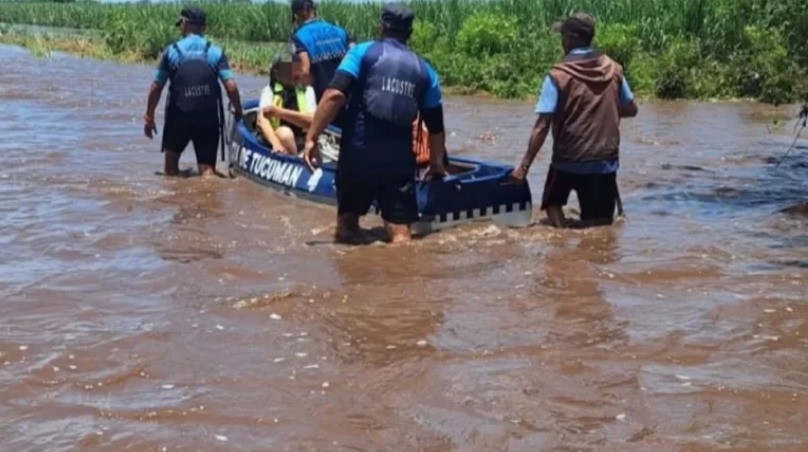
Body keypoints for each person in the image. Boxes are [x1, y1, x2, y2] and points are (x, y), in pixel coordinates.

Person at [303, 4, 448, 244]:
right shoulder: (426, 71)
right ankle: (402, 278)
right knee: (401, 234)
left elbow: (334, 96)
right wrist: (435, 164)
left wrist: (311, 138)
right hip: (398, 158)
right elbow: (435, 127)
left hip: (359, 151)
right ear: (409, 33)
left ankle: (355, 277)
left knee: (347, 227)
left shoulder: (362, 53)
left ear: (381, 28)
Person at [509, 12, 638, 227]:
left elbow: (542, 126)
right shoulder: (614, 70)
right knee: (600, 224)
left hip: (568, 161)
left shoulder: (558, 76)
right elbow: (631, 109)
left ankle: (561, 241)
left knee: (551, 204)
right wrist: (604, 111)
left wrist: (524, 167)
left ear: (569, 39)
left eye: (563, 36)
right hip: (604, 163)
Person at [144, 7, 243, 177]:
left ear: (184, 24)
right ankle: (208, 199)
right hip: (207, 119)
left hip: (178, 117)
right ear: (203, 27)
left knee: (170, 172)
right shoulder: (215, 52)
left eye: (180, 24)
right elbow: (231, 87)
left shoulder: (172, 51)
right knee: (207, 173)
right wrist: (239, 112)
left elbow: (156, 87)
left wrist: (149, 116)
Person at [290, 0, 353, 103]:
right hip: (346, 97)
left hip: (322, 101)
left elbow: (304, 71)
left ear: (300, 14)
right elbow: (355, 56)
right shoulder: (340, 30)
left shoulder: (299, 37)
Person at [256, 53, 318, 155]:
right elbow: (261, 120)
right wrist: (275, 143)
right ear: (276, 73)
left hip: (302, 140)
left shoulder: (308, 91)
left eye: (296, 69)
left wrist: (279, 112)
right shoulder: (269, 91)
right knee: (285, 133)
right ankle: (294, 161)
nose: (294, 74)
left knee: (314, 144)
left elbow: (313, 121)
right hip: (278, 138)